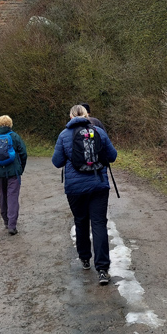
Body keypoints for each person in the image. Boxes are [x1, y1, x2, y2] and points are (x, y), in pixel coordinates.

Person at [52, 104, 118, 286]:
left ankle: (85, 258)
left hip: (75, 189)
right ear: (87, 115)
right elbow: (112, 156)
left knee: (81, 221)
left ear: (71, 116)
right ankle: (103, 269)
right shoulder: (98, 131)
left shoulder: (64, 134)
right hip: (98, 185)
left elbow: (57, 162)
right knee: (98, 223)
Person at [0, 115, 28, 235]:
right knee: (12, 197)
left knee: (3, 195)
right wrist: (20, 168)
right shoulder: (14, 136)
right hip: (13, 173)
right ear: (10, 124)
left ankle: (6, 222)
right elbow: (23, 153)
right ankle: (12, 226)